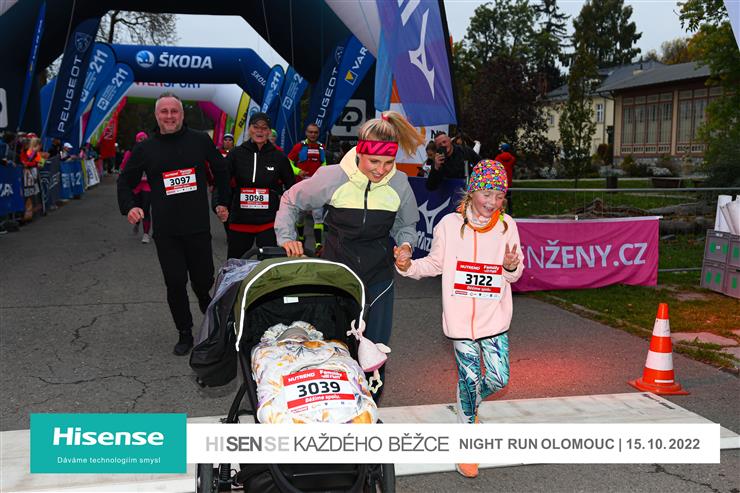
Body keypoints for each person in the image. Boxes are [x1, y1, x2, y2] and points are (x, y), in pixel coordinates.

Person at [275, 111, 423, 400]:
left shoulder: (399, 183)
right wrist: (287, 237)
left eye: (388, 162)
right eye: (374, 162)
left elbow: (407, 226)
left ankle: (369, 409)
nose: (381, 170)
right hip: (336, 276)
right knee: (333, 346)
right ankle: (335, 408)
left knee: (375, 351)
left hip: (379, 277)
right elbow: (290, 199)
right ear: (360, 152)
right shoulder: (332, 177)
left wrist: (405, 247)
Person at [395, 159, 523, 478]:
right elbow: (435, 264)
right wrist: (408, 267)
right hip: (460, 322)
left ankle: (468, 402)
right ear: (472, 191)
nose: (492, 202)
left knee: (498, 379)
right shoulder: (449, 225)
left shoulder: (507, 225)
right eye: (487, 194)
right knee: (469, 379)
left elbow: (515, 273)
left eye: (499, 196)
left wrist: (510, 266)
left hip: (494, 318)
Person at [117, 92, 231, 356]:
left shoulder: (199, 140)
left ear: (182, 114)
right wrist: (130, 206)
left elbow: (221, 170)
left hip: (197, 226)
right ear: (157, 116)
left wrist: (222, 201)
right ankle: (185, 332)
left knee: (203, 280)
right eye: (164, 111)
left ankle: (203, 297)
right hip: (167, 231)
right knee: (175, 282)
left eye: (174, 111)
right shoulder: (145, 148)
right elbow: (125, 181)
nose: (169, 116)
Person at [223, 112, 295, 259]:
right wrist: (220, 204)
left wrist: (289, 209)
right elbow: (222, 182)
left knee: (269, 264)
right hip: (240, 220)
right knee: (235, 264)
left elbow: (291, 186)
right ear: (249, 129)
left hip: (268, 222)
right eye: (256, 127)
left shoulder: (279, 156)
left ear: (269, 131)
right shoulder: (236, 154)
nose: (260, 131)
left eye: (264, 128)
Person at [287, 123, 328, 251]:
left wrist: (321, 173)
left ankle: (318, 245)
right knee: (300, 216)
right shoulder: (299, 146)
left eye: (315, 132)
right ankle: (300, 237)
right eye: (310, 132)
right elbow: (288, 162)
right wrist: (298, 171)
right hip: (301, 187)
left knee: (318, 216)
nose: (313, 134)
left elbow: (324, 163)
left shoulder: (321, 147)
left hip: (316, 187)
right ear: (306, 133)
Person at [120, 132, 152, 243]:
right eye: (140, 139)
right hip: (136, 186)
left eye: (144, 139)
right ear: (136, 141)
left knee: (146, 209)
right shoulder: (130, 153)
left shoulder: (152, 152)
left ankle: (146, 234)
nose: (142, 141)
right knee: (138, 208)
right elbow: (123, 168)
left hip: (147, 185)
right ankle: (137, 223)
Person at [494, 143, 516, 214]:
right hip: (509, 181)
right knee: (509, 198)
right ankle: (510, 213)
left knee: (499, 198)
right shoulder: (512, 159)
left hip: (500, 182)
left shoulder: (497, 158)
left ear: (502, 150)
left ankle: (500, 213)